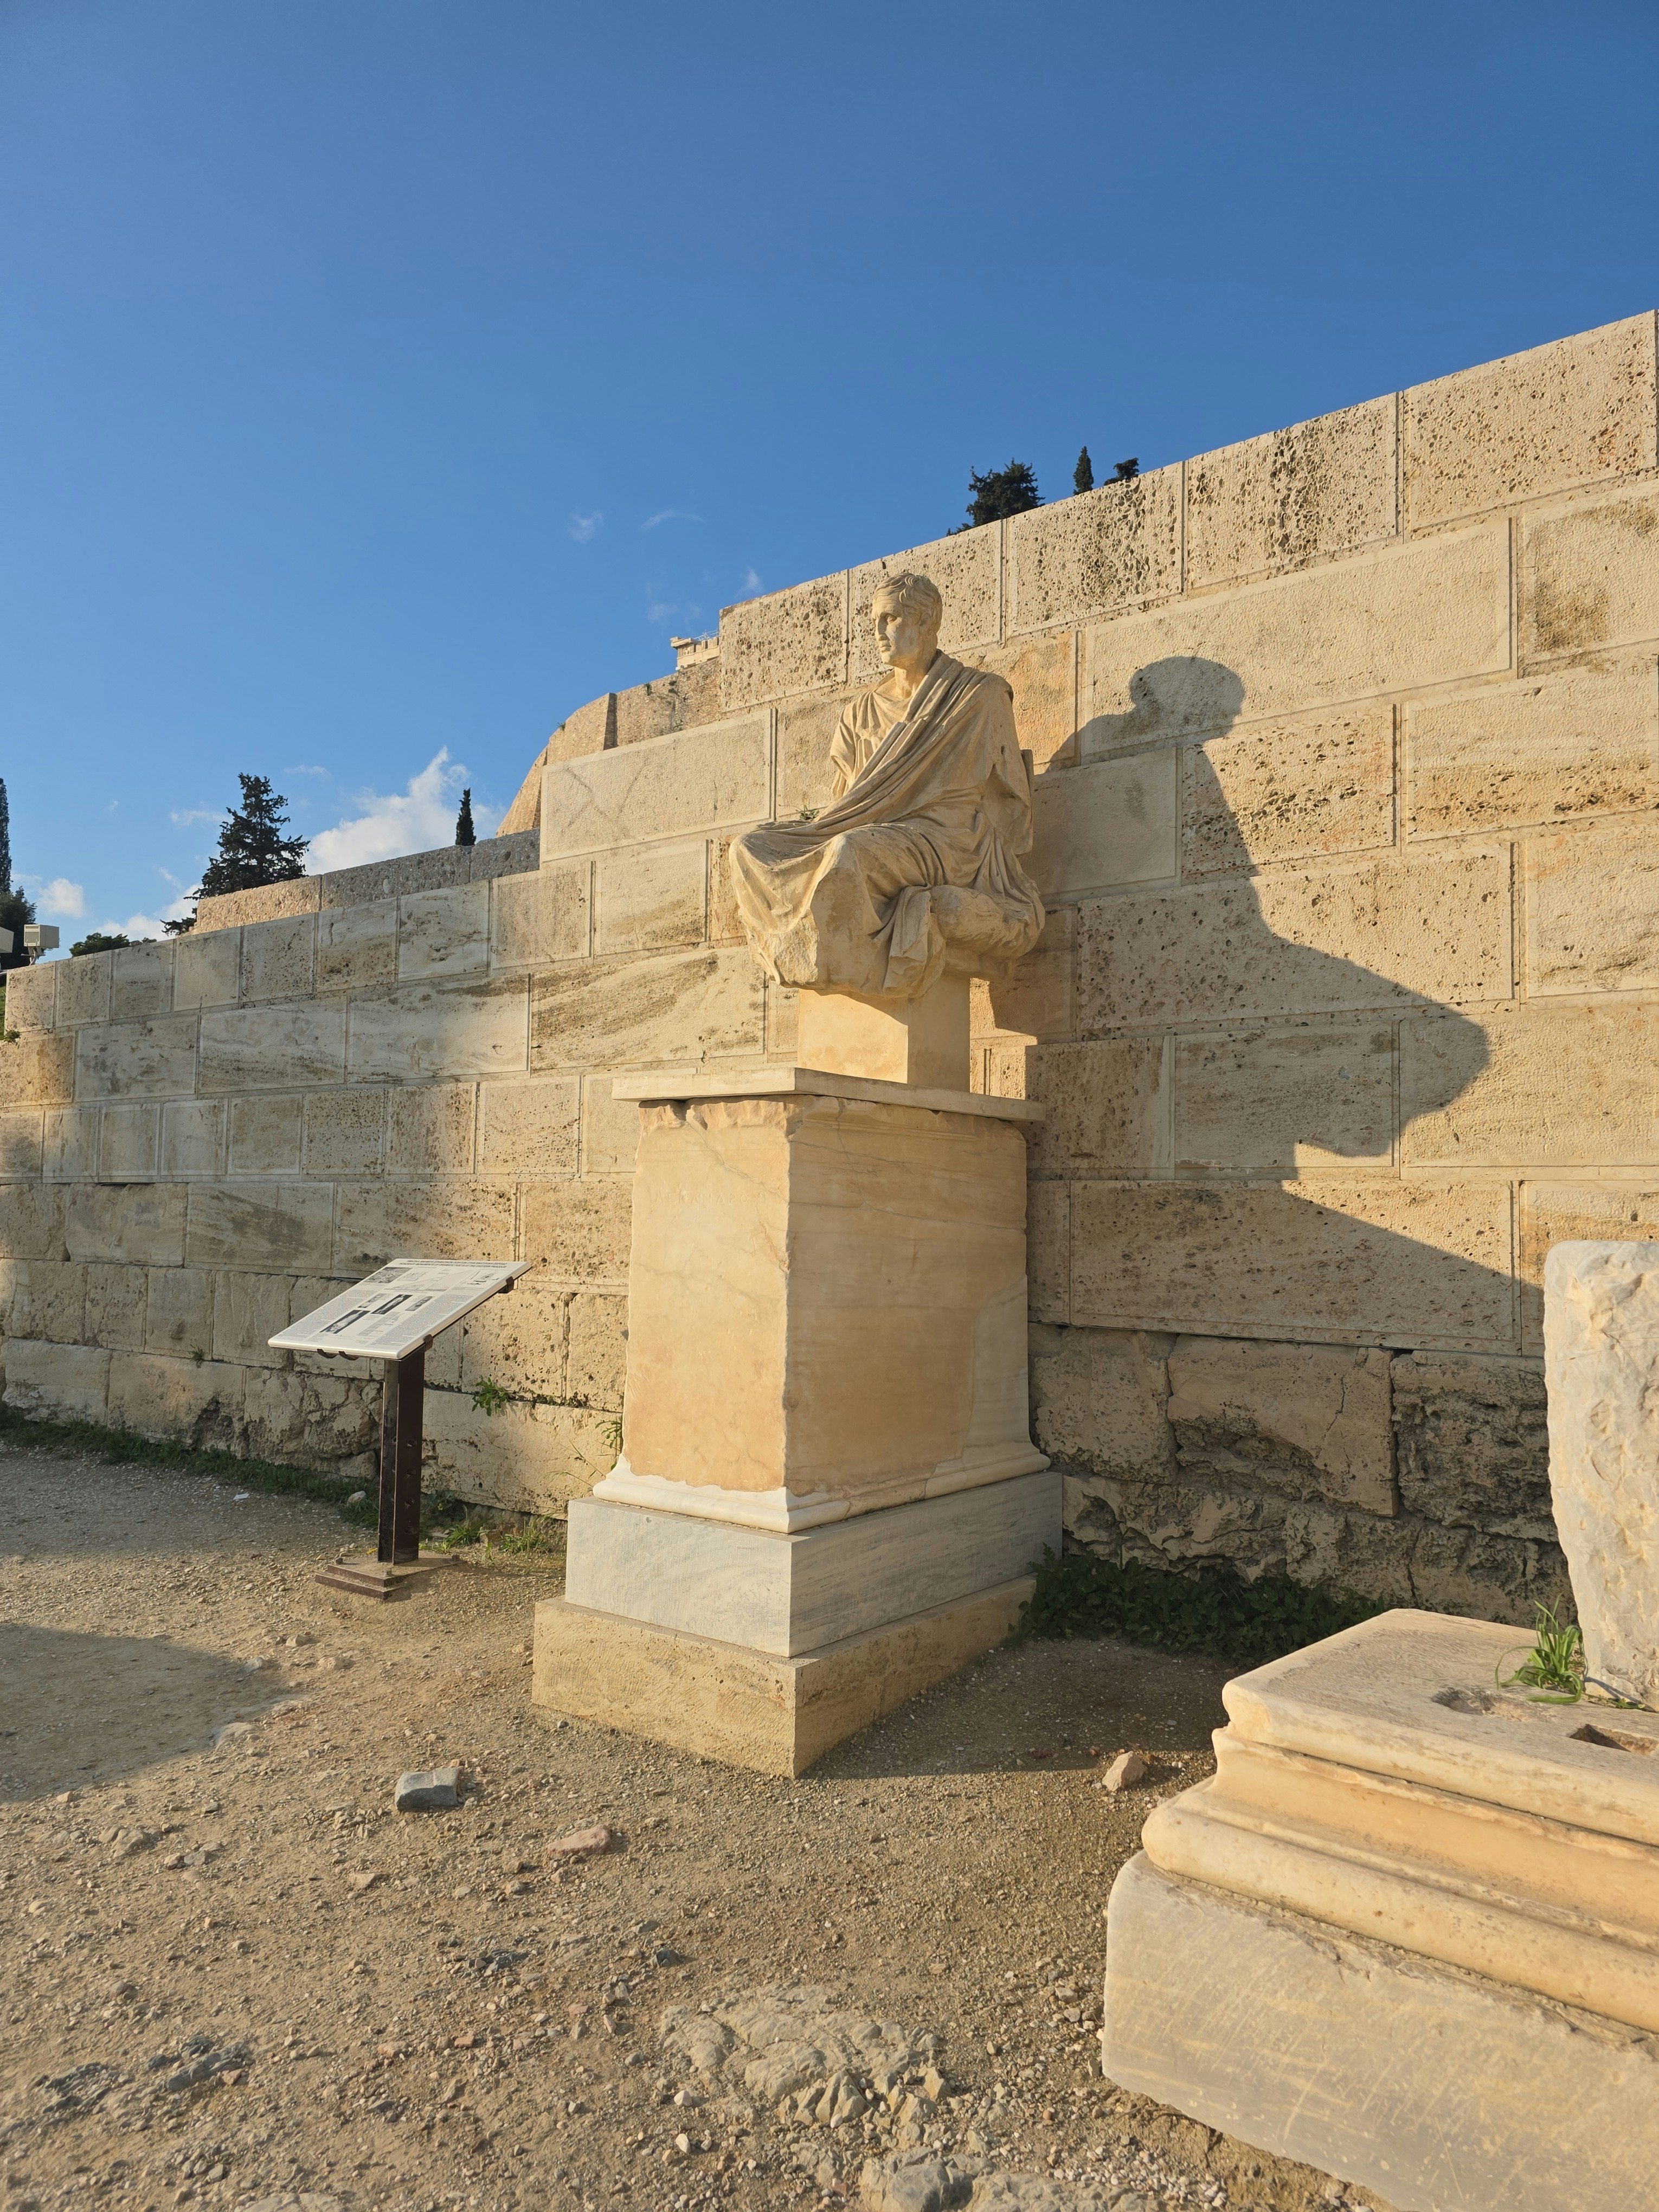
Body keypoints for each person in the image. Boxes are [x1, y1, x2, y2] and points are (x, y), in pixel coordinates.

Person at [728, 572, 1045, 999]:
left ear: (926, 622)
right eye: (875, 621)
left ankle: (849, 961)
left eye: (891, 619)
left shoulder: (979, 696)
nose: (878, 633)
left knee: (850, 851)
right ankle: (811, 949)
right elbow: (845, 804)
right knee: (750, 847)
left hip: (946, 842)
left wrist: (990, 856)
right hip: (874, 831)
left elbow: (1012, 807)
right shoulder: (860, 713)